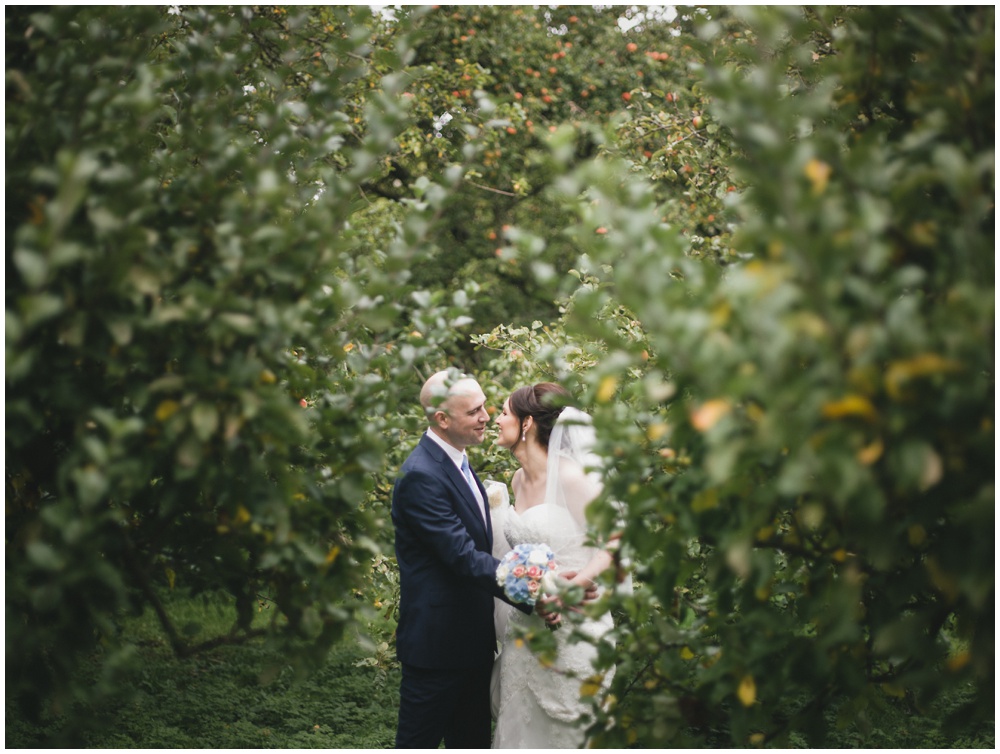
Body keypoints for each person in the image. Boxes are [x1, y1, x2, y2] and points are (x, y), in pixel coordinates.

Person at [391, 369, 535, 749]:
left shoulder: (457, 461)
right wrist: (535, 587)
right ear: (442, 419)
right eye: (474, 411)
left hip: (472, 642)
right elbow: (464, 557)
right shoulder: (420, 476)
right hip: (436, 648)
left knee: (470, 743)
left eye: (486, 406)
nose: (486, 416)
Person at [490, 382, 622, 749]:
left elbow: (614, 539)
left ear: (527, 423)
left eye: (503, 412)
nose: (496, 420)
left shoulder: (570, 477)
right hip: (526, 631)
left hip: (574, 626)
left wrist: (576, 583)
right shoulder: (517, 480)